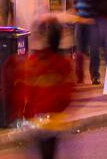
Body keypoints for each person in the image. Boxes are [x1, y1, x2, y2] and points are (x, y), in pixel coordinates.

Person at [19, 19, 76, 159]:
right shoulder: (62, 63)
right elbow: (68, 93)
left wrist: (27, 111)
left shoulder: (34, 61)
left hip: (37, 116)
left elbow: (27, 90)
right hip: (54, 117)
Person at [71, 0, 102, 84]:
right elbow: (73, 1)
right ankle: (80, 76)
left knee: (94, 49)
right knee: (80, 50)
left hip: (92, 21)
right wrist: (77, 16)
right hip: (81, 20)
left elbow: (100, 3)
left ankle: (94, 75)